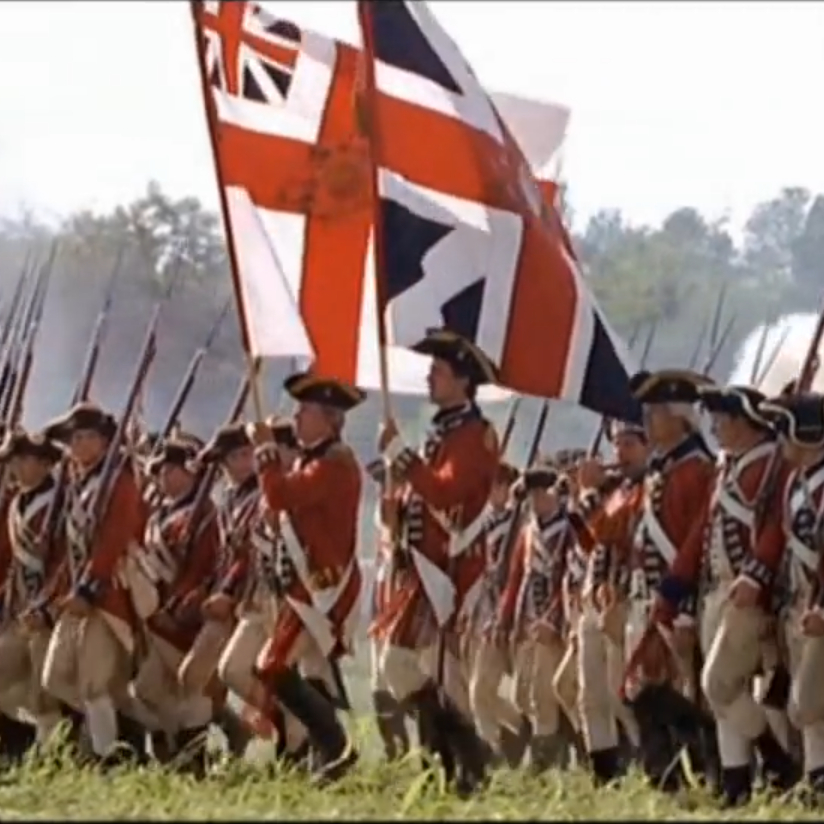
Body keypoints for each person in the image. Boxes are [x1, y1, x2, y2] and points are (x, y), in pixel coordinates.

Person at [653, 384, 798, 804]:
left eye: (721, 419)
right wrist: (673, 588)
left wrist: (755, 575)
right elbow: (701, 532)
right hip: (718, 590)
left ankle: (776, 760)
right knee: (721, 697)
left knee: (719, 683)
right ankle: (737, 783)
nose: (714, 427)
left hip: (754, 595)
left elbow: (777, 527)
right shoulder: (728, 468)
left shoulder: (772, 464)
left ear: (742, 422)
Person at [374, 328, 500, 794]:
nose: (430, 378)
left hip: (451, 569)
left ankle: (465, 769)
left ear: (463, 381)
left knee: (447, 677)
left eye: (439, 371)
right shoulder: (445, 431)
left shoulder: (475, 434)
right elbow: (424, 497)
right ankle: (454, 759)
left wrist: (400, 453)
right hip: (425, 569)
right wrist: (396, 509)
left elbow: (445, 492)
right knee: (402, 667)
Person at [243, 370, 365, 784]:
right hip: (308, 582)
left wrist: (264, 451)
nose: (296, 418)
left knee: (272, 666)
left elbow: (279, 495)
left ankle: (335, 748)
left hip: (323, 584)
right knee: (313, 675)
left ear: (330, 419)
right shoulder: (315, 460)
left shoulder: (335, 463)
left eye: (305, 411)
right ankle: (328, 759)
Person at [39, 402, 146, 765]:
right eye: (75, 439)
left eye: (87, 437)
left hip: (107, 592)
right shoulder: (78, 484)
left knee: (93, 683)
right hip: (78, 591)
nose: (79, 444)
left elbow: (113, 541)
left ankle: (107, 758)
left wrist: (88, 589)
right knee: (55, 678)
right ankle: (122, 733)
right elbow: (70, 550)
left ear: (104, 442)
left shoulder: (119, 482)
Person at [127, 435, 220, 775]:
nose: (162, 477)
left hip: (187, 616)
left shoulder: (205, 514)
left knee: (191, 688)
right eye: (160, 471)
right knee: (147, 689)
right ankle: (174, 748)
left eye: (170, 470)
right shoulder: (160, 514)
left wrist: (183, 604)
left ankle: (194, 760)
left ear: (190, 472)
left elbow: (205, 566)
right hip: (159, 615)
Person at [576, 419, 648, 782]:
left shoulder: (645, 488)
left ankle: (648, 763)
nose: (620, 453)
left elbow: (609, 531)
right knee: (590, 694)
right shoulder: (616, 489)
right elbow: (590, 544)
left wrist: (590, 492)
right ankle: (603, 774)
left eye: (630, 444)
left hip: (624, 598)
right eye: (617, 444)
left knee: (623, 693)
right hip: (597, 595)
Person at [0, 428, 64, 758]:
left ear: (44, 463)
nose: (16, 467)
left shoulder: (60, 502)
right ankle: (16, 747)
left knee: (45, 693)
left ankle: (53, 755)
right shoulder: (17, 503)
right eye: (14, 460)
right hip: (20, 608)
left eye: (24, 459)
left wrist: (47, 608)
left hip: (51, 610)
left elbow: (65, 562)